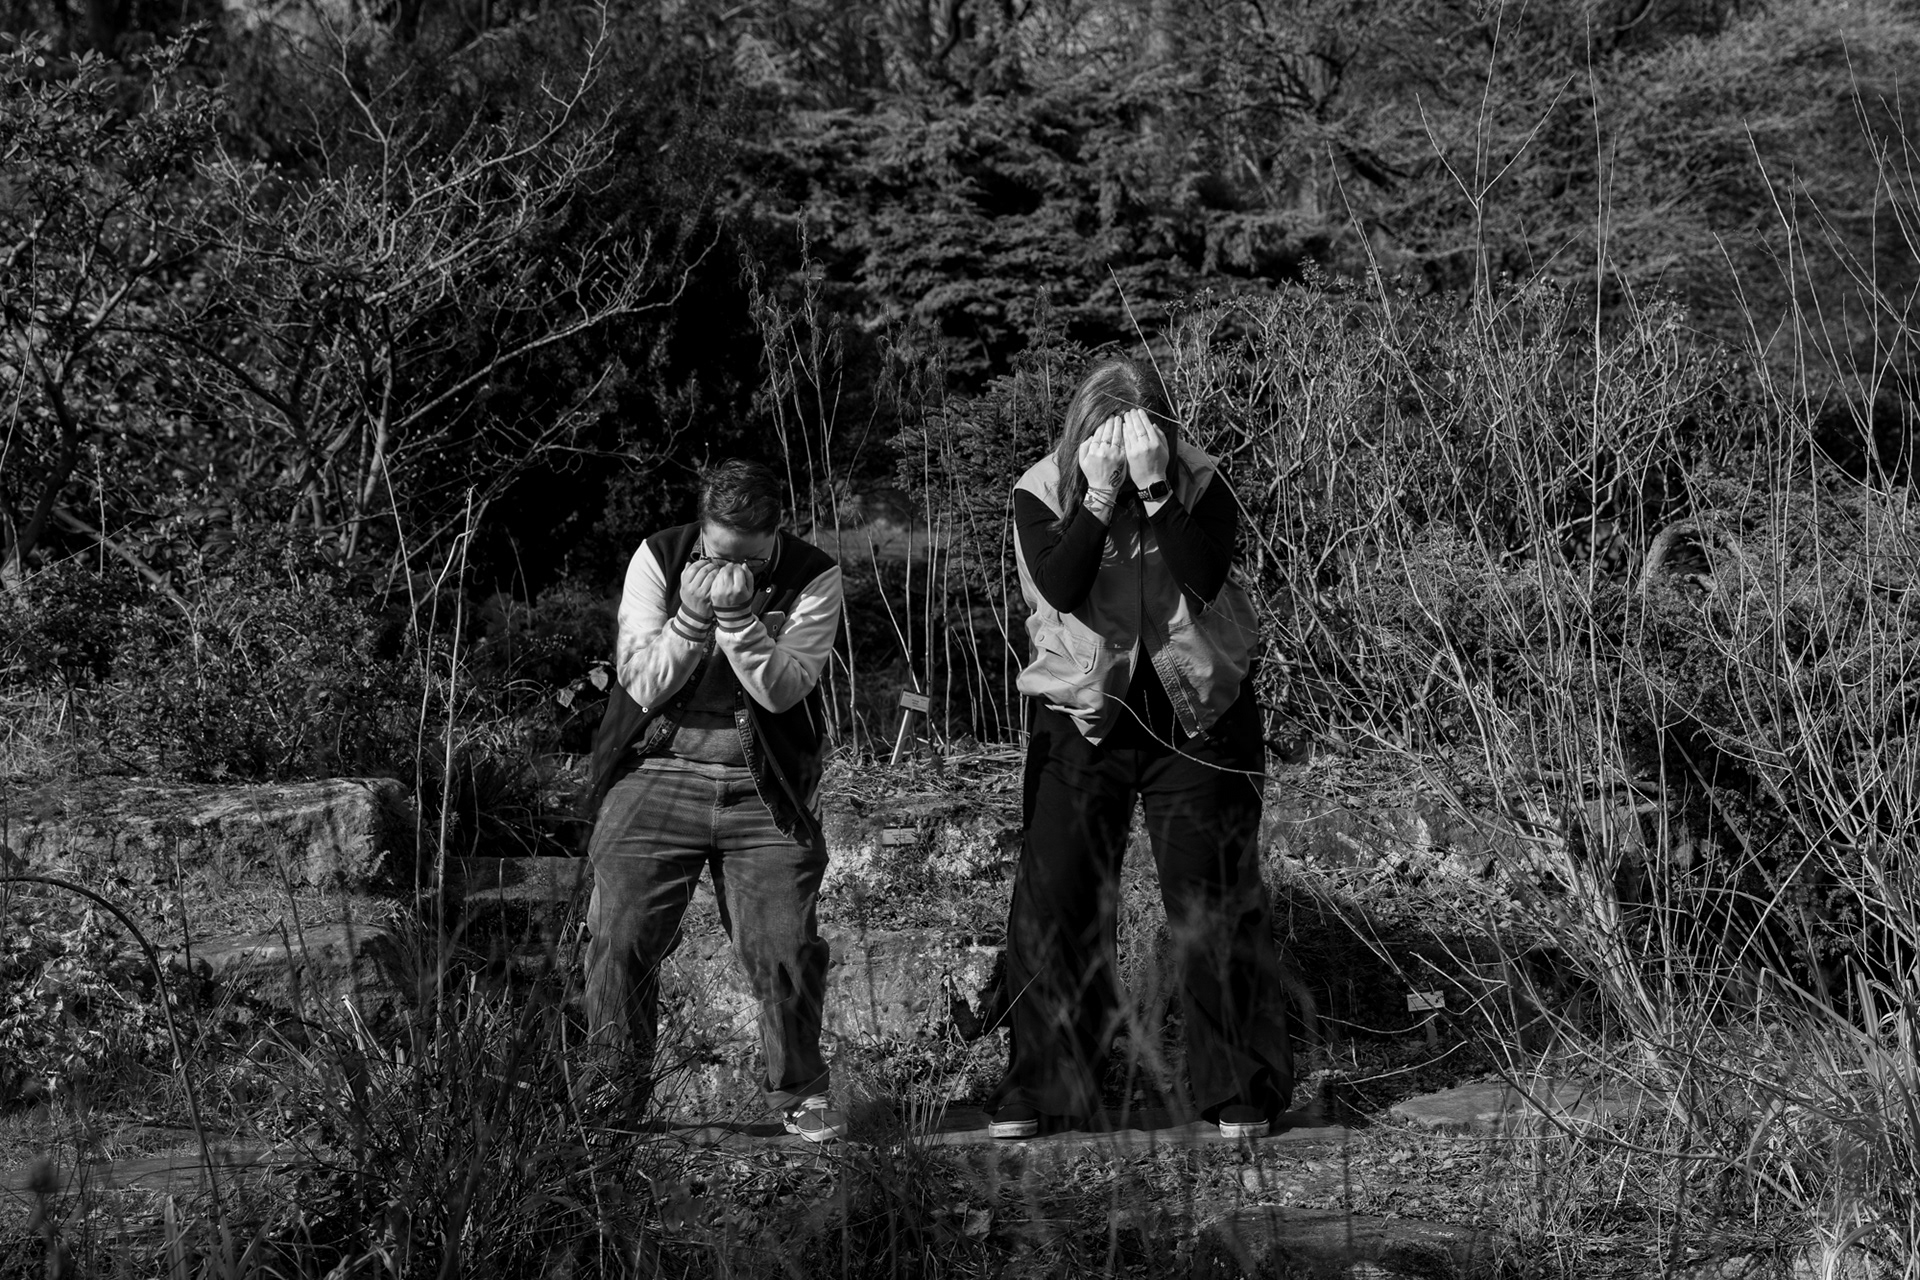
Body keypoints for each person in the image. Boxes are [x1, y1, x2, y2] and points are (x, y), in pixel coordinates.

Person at [984, 355, 1294, 1141]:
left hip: (1198, 711)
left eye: (1138, 441)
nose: (1121, 458)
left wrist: (1156, 491)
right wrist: (1094, 496)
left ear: (1163, 432)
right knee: (1058, 897)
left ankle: (1240, 1086)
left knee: (1213, 898)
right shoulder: (1041, 489)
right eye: (1104, 442)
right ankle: (1048, 1086)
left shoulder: (1197, 479)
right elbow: (1059, 587)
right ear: (1081, 435)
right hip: (1080, 710)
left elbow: (1203, 575)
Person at [582, 459, 848, 1142]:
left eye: (755, 562)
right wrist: (692, 618)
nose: (741, 572)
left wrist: (738, 620)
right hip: (658, 769)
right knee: (619, 939)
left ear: (775, 536)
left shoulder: (814, 574)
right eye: (723, 557)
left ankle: (800, 1092)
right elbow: (641, 684)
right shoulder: (657, 559)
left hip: (766, 785)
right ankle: (615, 1096)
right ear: (703, 532)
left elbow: (784, 691)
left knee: (784, 946)